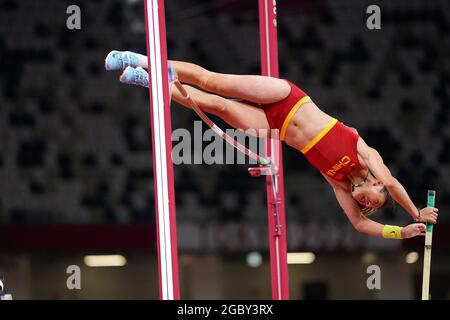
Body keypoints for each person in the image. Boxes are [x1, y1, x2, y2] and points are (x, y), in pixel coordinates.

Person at [104, 50, 439, 239]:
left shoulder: (337, 183)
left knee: (214, 106)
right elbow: (393, 183)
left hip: (275, 128)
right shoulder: (368, 157)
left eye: (366, 204)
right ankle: (142, 59)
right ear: (376, 183)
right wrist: (416, 213)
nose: (366, 203)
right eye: (373, 199)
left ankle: (147, 81)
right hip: (288, 99)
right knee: (212, 81)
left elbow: (359, 224)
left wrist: (401, 232)